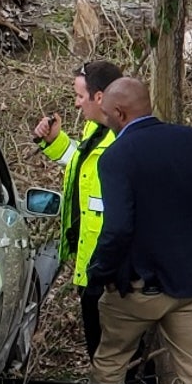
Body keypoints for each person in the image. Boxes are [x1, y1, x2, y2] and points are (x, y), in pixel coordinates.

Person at [86, 78, 192, 384]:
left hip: (140, 290)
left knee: (111, 362)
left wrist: (100, 272)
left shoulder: (116, 157)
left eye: (106, 115)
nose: (106, 121)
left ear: (120, 112)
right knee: (191, 375)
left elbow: (118, 229)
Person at [32, 60, 122, 360]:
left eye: (80, 97)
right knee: (99, 348)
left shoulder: (122, 140)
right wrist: (55, 141)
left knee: (110, 353)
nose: (76, 103)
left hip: (110, 268)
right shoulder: (94, 130)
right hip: (91, 260)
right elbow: (82, 164)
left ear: (99, 98)